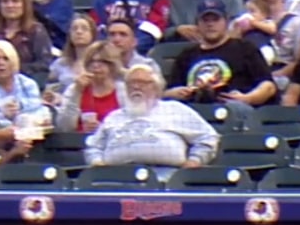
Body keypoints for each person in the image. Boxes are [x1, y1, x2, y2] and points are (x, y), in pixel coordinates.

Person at [85, 64, 221, 174]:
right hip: (116, 176)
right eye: (131, 83)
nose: (136, 87)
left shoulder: (175, 109)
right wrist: (97, 163)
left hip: (166, 175)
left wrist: (195, 160)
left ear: (156, 88)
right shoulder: (114, 116)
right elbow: (93, 146)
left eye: (143, 83)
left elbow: (207, 137)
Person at [165, 0, 278, 116]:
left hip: (235, 112)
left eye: (216, 19)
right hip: (194, 113)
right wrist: (173, 94)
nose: (210, 24)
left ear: (226, 22)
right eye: (205, 20)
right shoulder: (187, 55)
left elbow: (268, 86)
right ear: (197, 24)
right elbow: (168, 92)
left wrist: (248, 98)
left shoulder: (245, 48)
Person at [55, 41, 125, 132]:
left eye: (102, 61)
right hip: (78, 143)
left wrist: (102, 129)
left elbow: (129, 126)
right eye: (91, 61)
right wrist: (77, 92)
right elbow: (64, 127)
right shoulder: (75, 89)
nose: (96, 66)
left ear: (113, 65)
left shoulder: (123, 91)